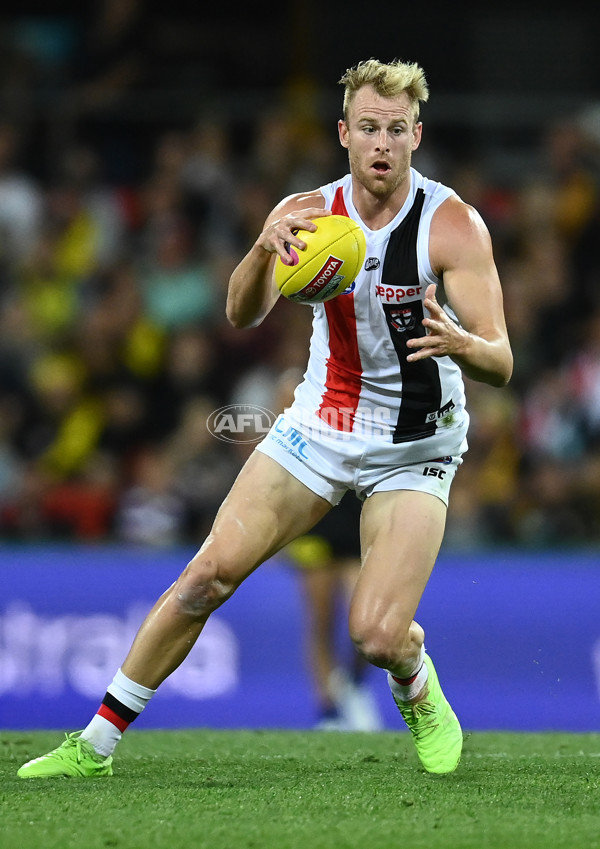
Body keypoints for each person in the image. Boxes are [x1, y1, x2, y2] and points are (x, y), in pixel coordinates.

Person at [18, 57, 513, 778]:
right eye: (369, 127)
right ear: (344, 133)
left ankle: (414, 678)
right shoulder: (305, 214)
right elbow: (240, 313)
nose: (382, 143)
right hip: (320, 426)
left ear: (416, 136)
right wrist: (259, 248)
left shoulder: (453, 226)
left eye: (397, 130)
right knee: (204, 577)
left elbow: (501, 360)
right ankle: (92, 745)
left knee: (375, 633)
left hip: (416, 445)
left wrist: (465, 344)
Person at [285, 490, 384, 731]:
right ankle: (329, 711)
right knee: (321, 622)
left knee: (367, 620)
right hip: (316, 522)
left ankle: (353, 683)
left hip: (358, 519)